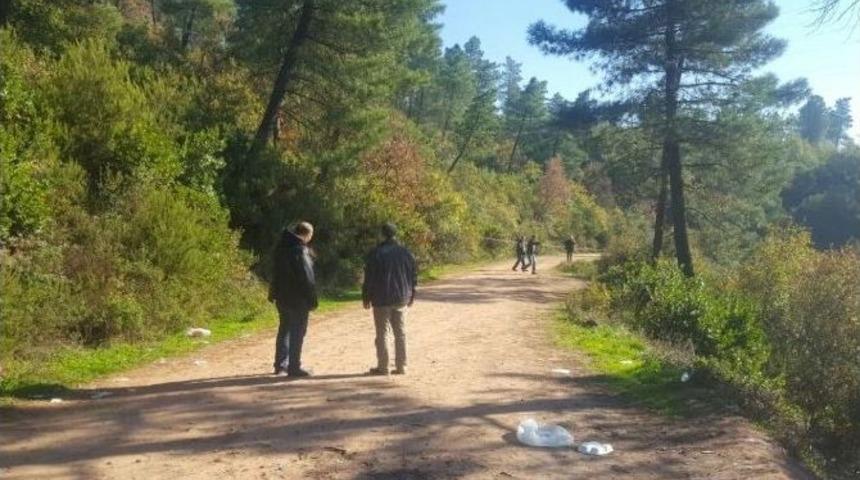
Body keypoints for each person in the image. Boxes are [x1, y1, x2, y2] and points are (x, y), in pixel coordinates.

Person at [362, 223, 417, 376]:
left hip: (381, 298)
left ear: (382, 234)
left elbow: (369, 277)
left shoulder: (376, 253)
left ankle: (383, 366)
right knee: (400, 333)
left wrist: (366, 295)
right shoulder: (406, 253)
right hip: (401, 297)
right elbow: (413, 275)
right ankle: (402, 366)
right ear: (395, 234)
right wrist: (412, 293)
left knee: (382, 333)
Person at [269, 221, 318, 378]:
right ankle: (294, 367)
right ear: (307, 234)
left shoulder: (281, 248)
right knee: (298, 332)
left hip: (282, 297)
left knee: (284, 330)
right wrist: (312, 299)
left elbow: (275, 274)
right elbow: (307, 277)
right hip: (298, 299)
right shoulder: (300, 251)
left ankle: (280, 364)